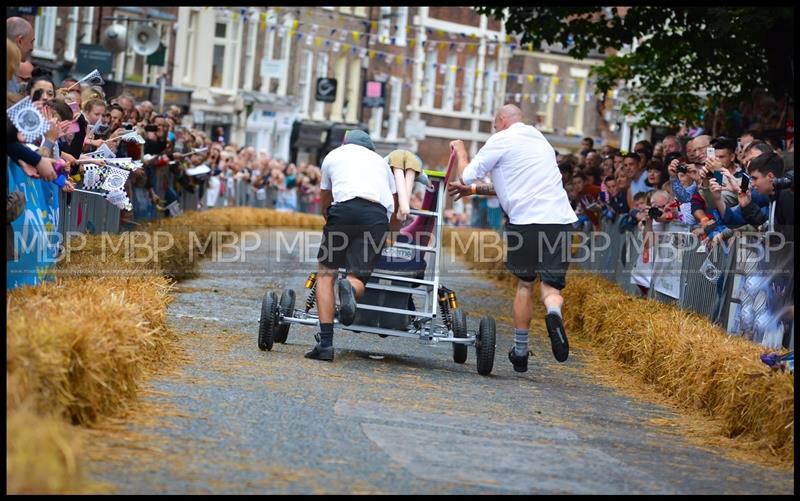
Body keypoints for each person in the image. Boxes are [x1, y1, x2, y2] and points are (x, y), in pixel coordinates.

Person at [447, 104, 577, 372]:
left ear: (502, 121)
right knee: (552, 288)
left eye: (495, 125)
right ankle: (554, 314)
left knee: (525, 286)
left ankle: (520, 351)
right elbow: (509, 186)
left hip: (526, 223)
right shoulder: (540, 141)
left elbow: (466, 173)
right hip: (560, 221)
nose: (494, 130)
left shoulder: (501, 139)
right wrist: (473, 190)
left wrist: (461, 151)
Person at [306, 129, 397, 361]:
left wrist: (331, 222)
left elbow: (324, 201)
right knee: (358, 277)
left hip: (344, 209)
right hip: (376, 215)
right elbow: (395, 207)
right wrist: (390, 233)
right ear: (370, 148)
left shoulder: (334, 155)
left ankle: (325, 344)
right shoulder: (381, 163)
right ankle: (350, 287)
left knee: (326, 275)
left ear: (345, 143)